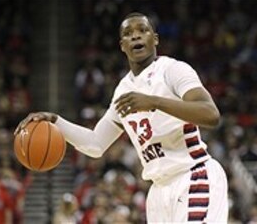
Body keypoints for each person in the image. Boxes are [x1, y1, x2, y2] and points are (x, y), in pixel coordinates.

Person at [15, 12, 228, 223]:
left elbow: (211, 114)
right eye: (128, 33)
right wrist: (55, 121)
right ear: (122, 45)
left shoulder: (173, 70)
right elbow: (95, 144)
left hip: (193, 175)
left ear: (155, 39)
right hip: (158, 191)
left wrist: (154, 102)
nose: (135, 36)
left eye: (142, 30)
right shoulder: (123, 90)